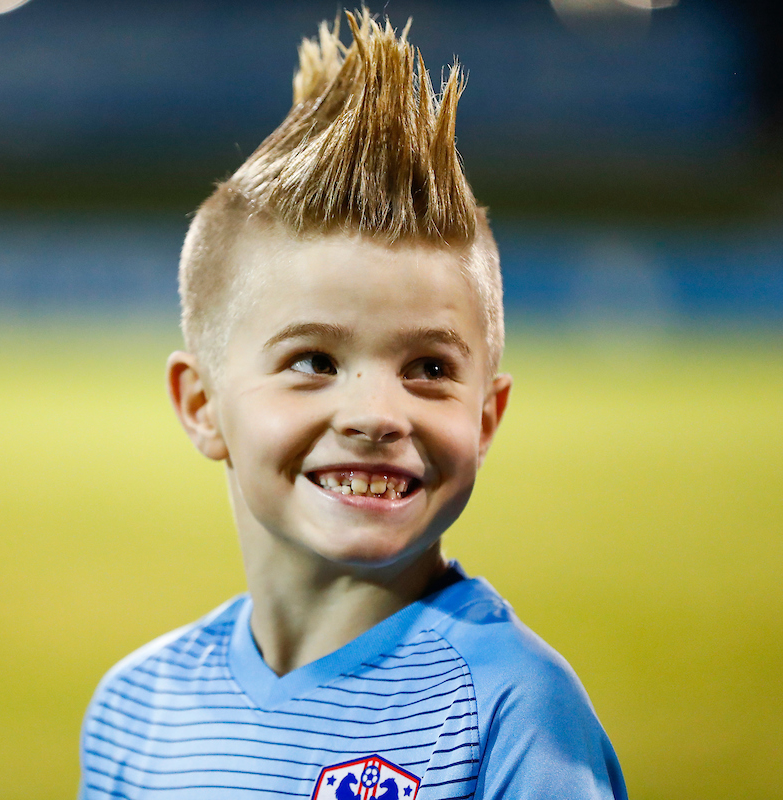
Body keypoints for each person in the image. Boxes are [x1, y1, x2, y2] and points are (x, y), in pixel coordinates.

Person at [79, 9, 627, 799]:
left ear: (486, 417)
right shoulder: (138, 711)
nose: (376, 413)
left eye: (429, 367)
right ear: (201, 404)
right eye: (314, 361)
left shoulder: (510, 713)